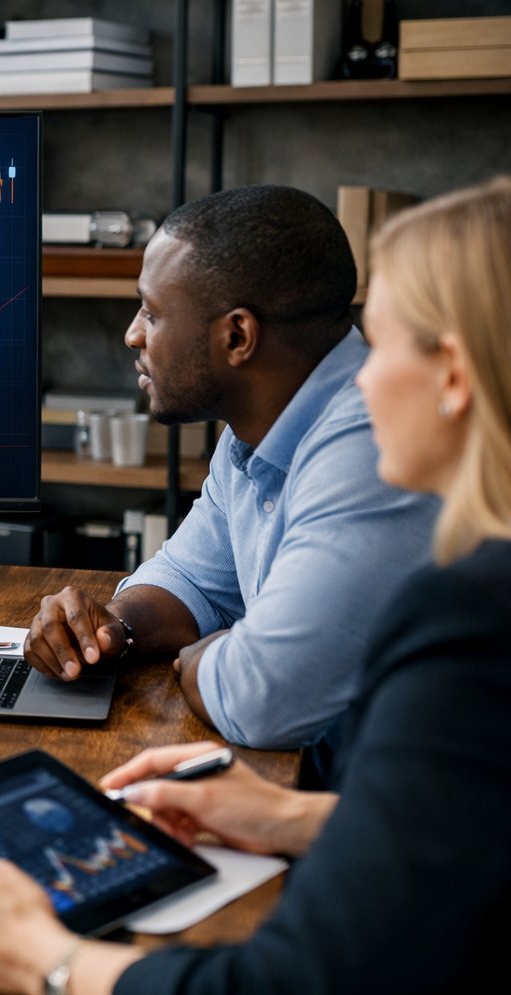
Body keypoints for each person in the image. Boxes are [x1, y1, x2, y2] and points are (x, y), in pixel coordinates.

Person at [0, 177, 511, 995]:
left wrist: (40, 958)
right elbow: (476, 830)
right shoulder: (257, 438)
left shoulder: (471, 624)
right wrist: (297, 818)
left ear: (451, 376)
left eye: (382, 345)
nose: (363, 380)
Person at [24, 185, 437, 752]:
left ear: (238, 336)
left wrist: (209, 655)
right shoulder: (255, 428)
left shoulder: (373, 444)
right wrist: (109, 629)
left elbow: (261, 700)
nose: (133, 334)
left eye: (152, 311)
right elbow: (193, 580)